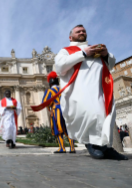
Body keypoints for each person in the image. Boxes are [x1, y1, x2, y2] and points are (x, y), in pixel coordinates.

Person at [53, 24, 127, 160]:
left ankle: (106, 147)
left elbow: (110, 64)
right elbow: (59, 67)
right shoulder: (66, 51)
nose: (82, 32)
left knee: (107, 117)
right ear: (71, 37)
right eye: (78, 31)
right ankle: (91, 143)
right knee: (92, 114)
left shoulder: (95, 49)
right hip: (80, 89)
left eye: (83, 31)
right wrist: (83, 54)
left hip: (101, 88)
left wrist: (106, 54)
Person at [41, 71, 75, 153]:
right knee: (68, 128)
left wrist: (50, 106)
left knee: (58, 129)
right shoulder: (63, 90)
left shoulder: (49, 91)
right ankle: (72, 148)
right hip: (66, 110)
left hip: (56, 110)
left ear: (50, 83)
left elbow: (45, 102)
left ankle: (62, 148)